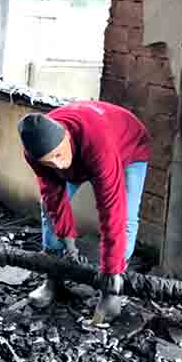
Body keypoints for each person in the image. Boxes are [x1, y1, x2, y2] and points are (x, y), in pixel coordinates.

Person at [18, 102, 151, 320]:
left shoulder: (99, 145)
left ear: (67, 136)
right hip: (81, 151)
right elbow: (53, 198)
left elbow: (112, 211)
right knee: (48, 208)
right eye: (49, 162)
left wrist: (111, 269)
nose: (58, 166)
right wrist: (67, 242)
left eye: (58, 155)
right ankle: (53, 278)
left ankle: (112, 289)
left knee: (125, 217)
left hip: (129, 146)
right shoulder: (35, 154)